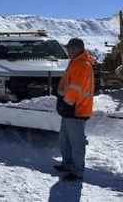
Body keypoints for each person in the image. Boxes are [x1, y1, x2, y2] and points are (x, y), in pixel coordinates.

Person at [54, 37, 95, 182]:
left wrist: (66, 103)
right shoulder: (75, 63)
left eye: (69, 48)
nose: (67, 51)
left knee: (76, 143)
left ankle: (77, 172)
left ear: (76, 49)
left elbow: (76, 88)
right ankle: (68, 164)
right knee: (64, 139)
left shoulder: (82, 65)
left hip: (77, 109)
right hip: (70, 109)